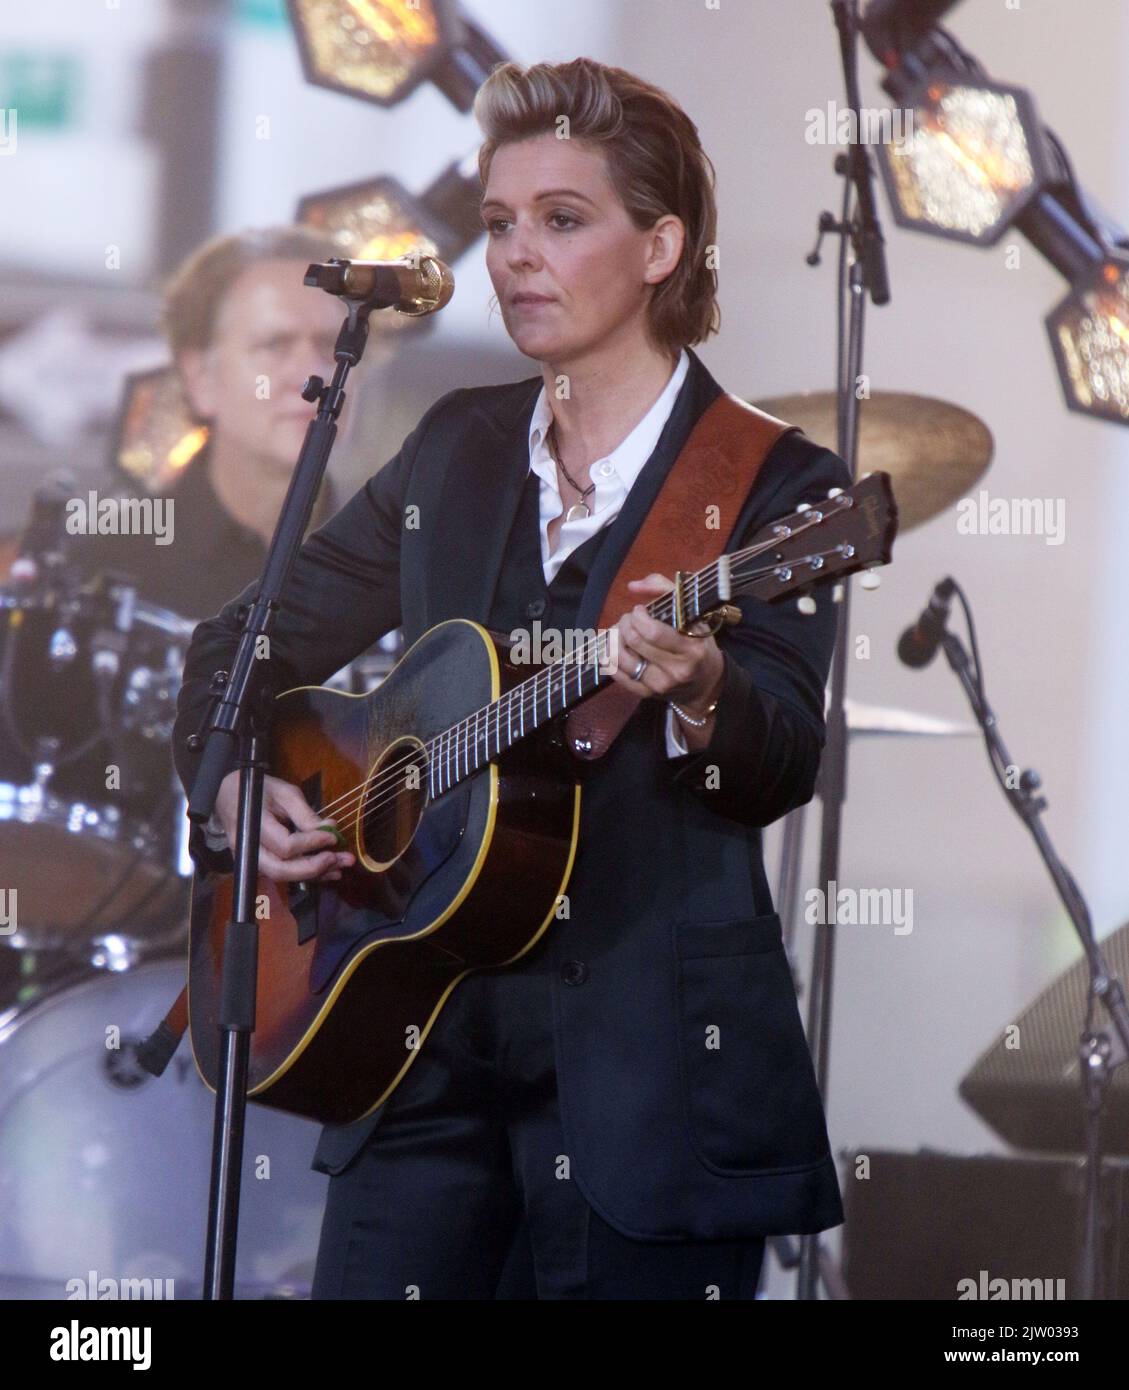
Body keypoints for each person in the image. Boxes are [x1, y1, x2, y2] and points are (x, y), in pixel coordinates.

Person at [172, 58, 849, 1300]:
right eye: (497, 224)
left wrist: (702, 689)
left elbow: (782, 757)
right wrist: (230, 786)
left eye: (560, 220)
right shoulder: (455, 449)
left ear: (661, 247)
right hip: (413, 1056)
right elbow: (241, 643)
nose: (514, 255)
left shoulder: (774, 490)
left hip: (652, 1094)